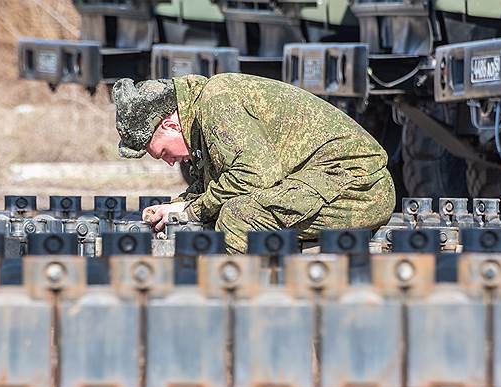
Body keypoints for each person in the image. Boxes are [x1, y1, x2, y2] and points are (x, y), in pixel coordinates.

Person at [112, 73, 395, 253]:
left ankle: (244, 318)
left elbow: (253, 177)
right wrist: (177, 207)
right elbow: (225, 181)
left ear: (171, 124)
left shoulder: (217, 102)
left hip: (358, 188)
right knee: (223, 214)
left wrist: (190, 210)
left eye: (163, 153)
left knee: (238, 217)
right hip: (331, 184)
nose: (171, 163)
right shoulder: (202, 111)